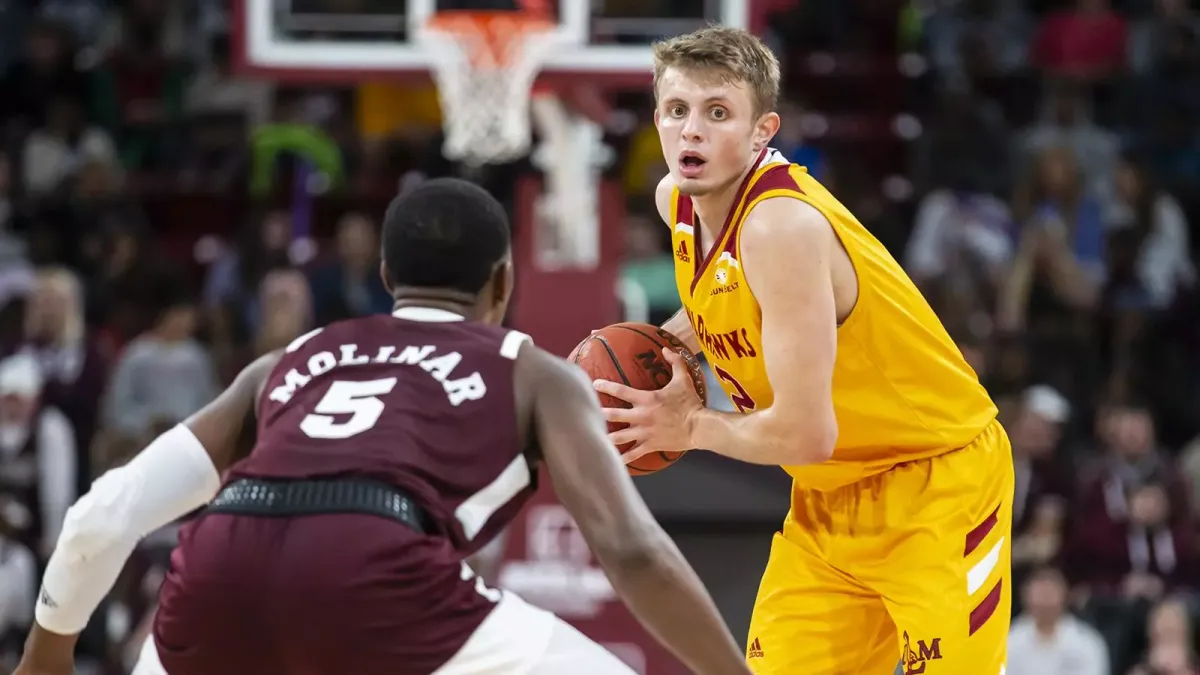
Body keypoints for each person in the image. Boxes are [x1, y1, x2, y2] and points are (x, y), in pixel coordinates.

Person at [16, 178, 752, 675]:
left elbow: (100, 516)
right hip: (374, 566)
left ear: (385, 271)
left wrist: (42, 662)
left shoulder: (286, 361)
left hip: (216, 570)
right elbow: (631, 549)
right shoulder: (532, 370)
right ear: (502, 282)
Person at [593, 27, 1012, 674]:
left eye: (718, 112)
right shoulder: (676, 201)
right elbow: (726, 302)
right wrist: (666, 342)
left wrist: (689, 425)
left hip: (934, 482)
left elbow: (807, 432)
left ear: (763, 131)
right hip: (828, 498)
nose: (692, 132)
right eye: (678, 111)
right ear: (657, 120)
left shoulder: (780, 227)